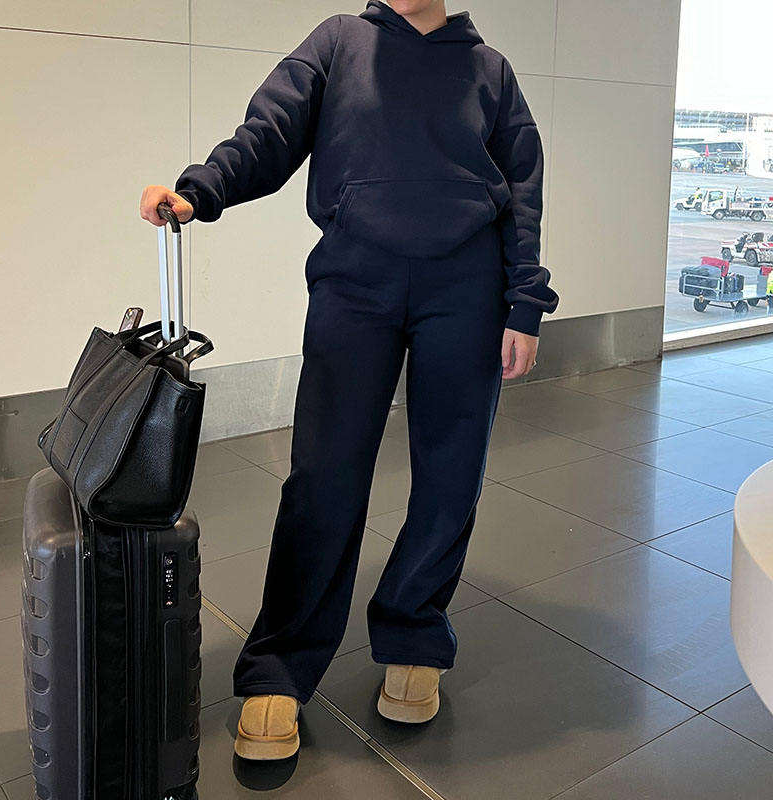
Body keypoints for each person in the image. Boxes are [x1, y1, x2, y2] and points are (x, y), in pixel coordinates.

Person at [141, 0, 558, 761]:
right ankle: (280, 662)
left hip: (467, 289)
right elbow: (268, 133)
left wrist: (525, 304)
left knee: (450, 472)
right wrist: (201, 189)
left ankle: (413, 632)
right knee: (323, 474)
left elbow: (522, 192)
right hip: (354, 283)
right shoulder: (340, 43)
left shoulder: (489, 72)